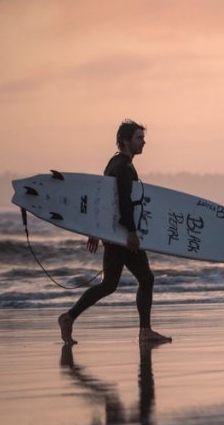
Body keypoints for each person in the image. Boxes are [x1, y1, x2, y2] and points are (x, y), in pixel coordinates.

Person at [57, 120, 171, 344]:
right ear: (126, 141)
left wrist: (96, 229)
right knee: (145, 278)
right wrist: (130, 231)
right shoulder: (124, 168)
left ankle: (69, 318)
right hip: (121, 234)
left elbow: (103, 200)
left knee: (111, 284)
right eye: (139, 138)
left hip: (114, 234)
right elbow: (123, 201)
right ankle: (144, 331)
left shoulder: (114, 163)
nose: (144, 142)